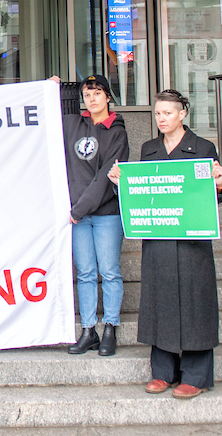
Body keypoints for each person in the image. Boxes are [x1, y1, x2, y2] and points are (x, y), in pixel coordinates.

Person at [109, 89, 222, 399]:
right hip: (159, 239)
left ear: (183, 114)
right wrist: (122, 183)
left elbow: (214, 196)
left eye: (168, 113)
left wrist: (219, 185)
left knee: (195, 304)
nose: (162, 118)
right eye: (158, 113)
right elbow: (141, 192)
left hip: (192, 241)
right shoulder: (149, 149)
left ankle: (195, 375)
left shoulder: (203, 148)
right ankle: (162, 372)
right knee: (159, 301)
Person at [61, 74, 129, 357]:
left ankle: (110, 327)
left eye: (97, 93)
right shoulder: (73, 124)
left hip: (105, 213)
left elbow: (105, 178)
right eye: (87, 95)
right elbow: (54, 102)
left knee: (109, 271)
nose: (92, 98)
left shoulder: (117, 131)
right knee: (85, 273)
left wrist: (79, 208)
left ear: (108, 97)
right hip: (79, 215)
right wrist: (57, 85)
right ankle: (88, 329)